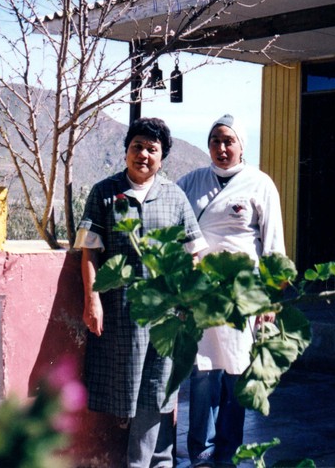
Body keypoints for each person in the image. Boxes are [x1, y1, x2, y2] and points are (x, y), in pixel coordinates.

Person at [75, 116, 207, 468]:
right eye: (138, 147)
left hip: (166, 313)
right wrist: (93, 299)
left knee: (159, 387)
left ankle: (146, 463)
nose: (144, 155)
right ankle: (157, 460)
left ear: (161, 158)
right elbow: (90, 251)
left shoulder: (174, 196)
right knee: (131, 389)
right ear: (125, 151)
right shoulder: (105, 193)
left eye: (152, 149)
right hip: (121, 312)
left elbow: (194, 253)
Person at [177, 114, 286, 468]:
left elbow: (273, 245)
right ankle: (201, 452)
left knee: (237, 373)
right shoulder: (191, 182)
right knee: (203, 372)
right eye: (215, 141)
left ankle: (228, 451)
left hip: (245, 295)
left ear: (241, 145)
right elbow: (173, 224)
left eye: (228, 141)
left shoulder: (260, 184)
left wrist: (269, 297)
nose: (221, 148)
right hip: (203, 293)